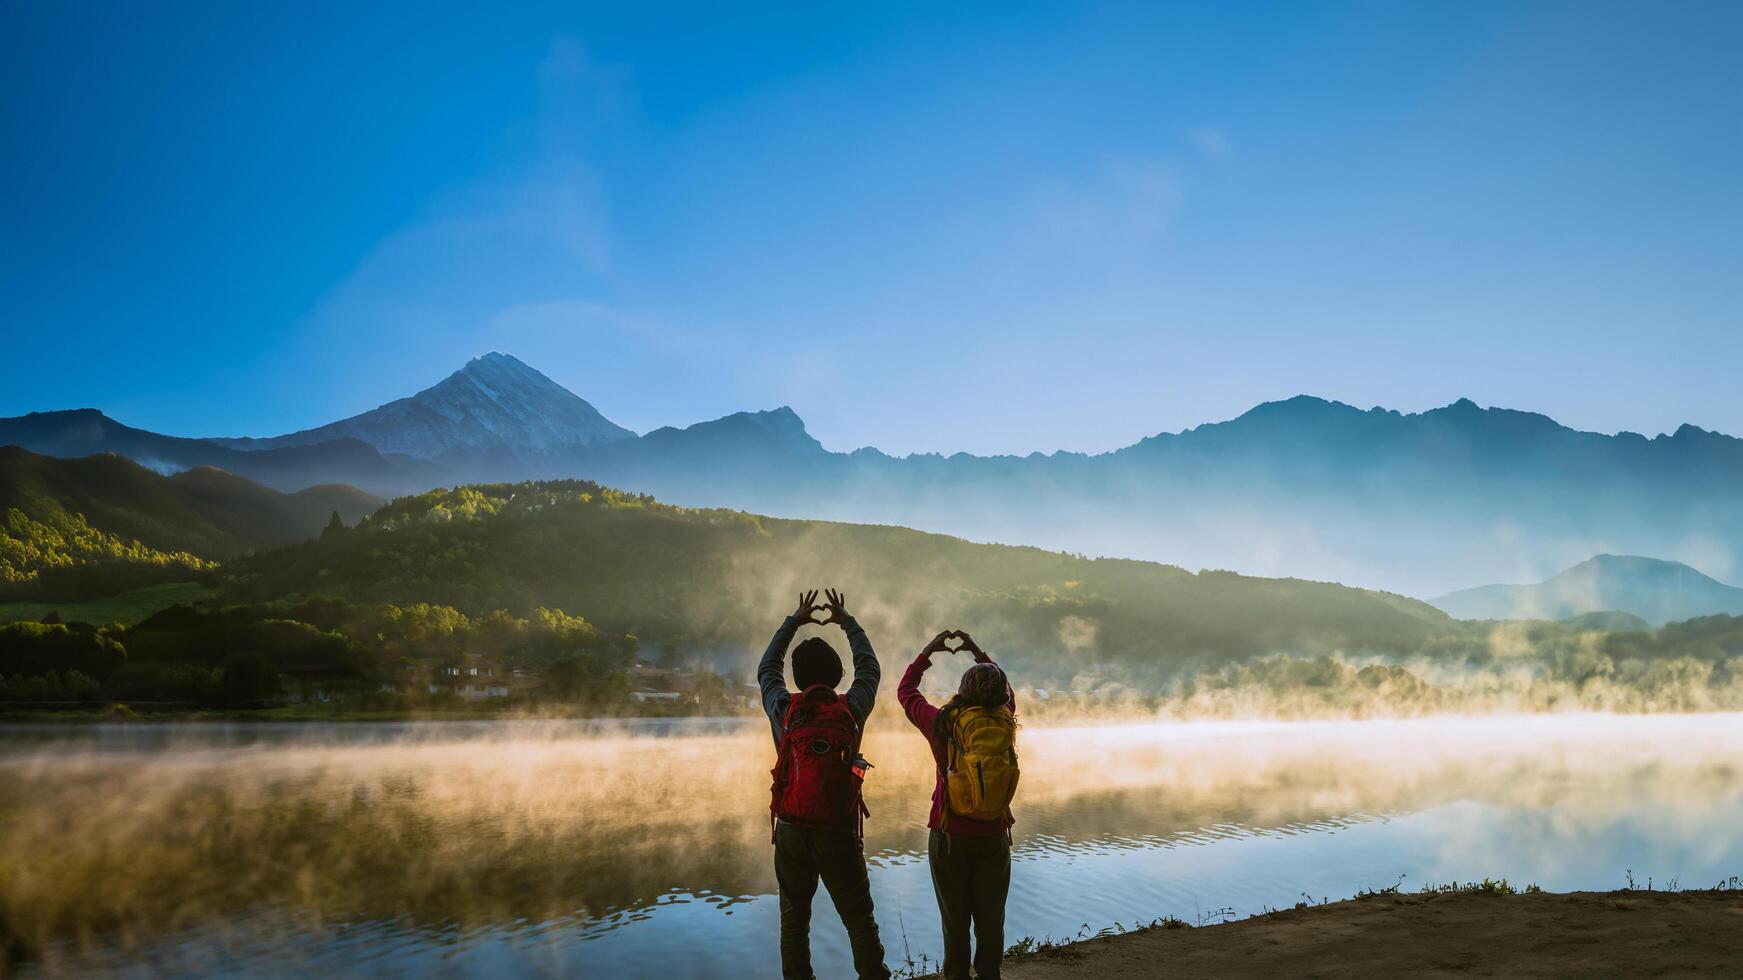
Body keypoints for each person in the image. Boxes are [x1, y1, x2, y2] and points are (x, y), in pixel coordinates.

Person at [758, 588, 891, 980]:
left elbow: (767, 669)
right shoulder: (850, 708)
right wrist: (847, 622)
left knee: (794, 922)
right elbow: (870, 668)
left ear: (797, 677)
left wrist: (793, 622)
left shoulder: (784, 709)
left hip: (792, 830)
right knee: (859, 920)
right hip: (837, 828)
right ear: (838, 675)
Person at [898, 629, 1018, 980]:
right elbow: (1008, 691)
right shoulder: (1005, 716)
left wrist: (929, 652)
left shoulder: (943, 722)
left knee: (955, 922)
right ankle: (989, 974)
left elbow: (906, 692)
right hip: (994, 835)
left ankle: (956, 975)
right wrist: (978, 652)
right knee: (991, 920)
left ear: (963, 692)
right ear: (998, 693)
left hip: (949, 835)